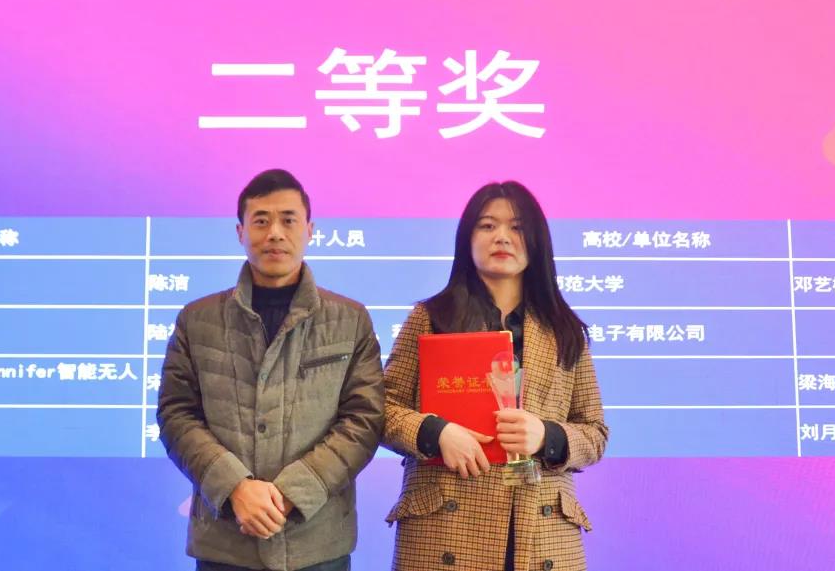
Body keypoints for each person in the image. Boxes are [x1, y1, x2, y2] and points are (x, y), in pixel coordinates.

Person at [158, 169, 384, 571]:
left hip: (317, 544)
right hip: (225, 543)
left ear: (310, 230)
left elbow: (364, 420)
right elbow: (176, 415)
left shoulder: (350, 320)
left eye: (288, 220)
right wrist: (235, 487)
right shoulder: (197, 320)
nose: (275, 233)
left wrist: (293, 492)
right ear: (240, 232)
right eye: (261, 220)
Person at [382, 181, 608, 571]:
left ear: (536, 242)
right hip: (445, 530)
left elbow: (595, 433)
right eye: (487, 225)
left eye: (517, 227)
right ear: (467, 239)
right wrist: (436, 433)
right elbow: (382, 409)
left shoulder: (564, 329)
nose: (501, 236)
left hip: (542, 534)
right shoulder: (431, 317)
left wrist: (547, 436)